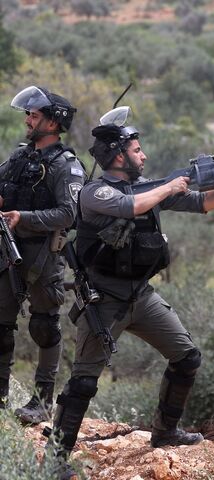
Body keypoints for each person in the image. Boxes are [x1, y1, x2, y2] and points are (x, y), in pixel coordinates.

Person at [47, 107, 214, 472]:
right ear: (117, 156)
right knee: (83, 382)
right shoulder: (94, 192)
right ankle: (55, 461)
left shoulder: (148, 188)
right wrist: (169, 185)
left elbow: (205, 202)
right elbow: (130, 206)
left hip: (141, 296)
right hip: (104, 300)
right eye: (136, 149)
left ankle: (165, 431)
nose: (143, 155)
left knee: (187, 358)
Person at [0, 86, 84, 424]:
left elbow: (70, 213)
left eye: (33, 115)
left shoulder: (67, 165)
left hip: (44, 258)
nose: (27, 120)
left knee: (45, 327)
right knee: (1, 326)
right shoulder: (20, 157)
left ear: (52, 123)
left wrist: (26, 218)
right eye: (28, 114)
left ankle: (41, 403)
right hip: (8, 254)